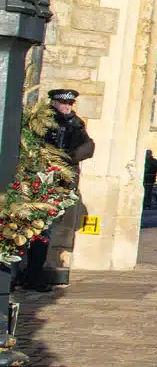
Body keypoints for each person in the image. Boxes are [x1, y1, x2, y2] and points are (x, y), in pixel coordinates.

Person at [24, 89, 96, 289]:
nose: (67, 107)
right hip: (36, 179)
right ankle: (22, 273)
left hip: (59, 183)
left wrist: (68, 158)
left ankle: (34, 274)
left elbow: (89, 147)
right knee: (26, 228)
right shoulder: (41, 119)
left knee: (44, 230)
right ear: (53, 103)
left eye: (70, 104)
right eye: (63, 103)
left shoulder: (75, 124)